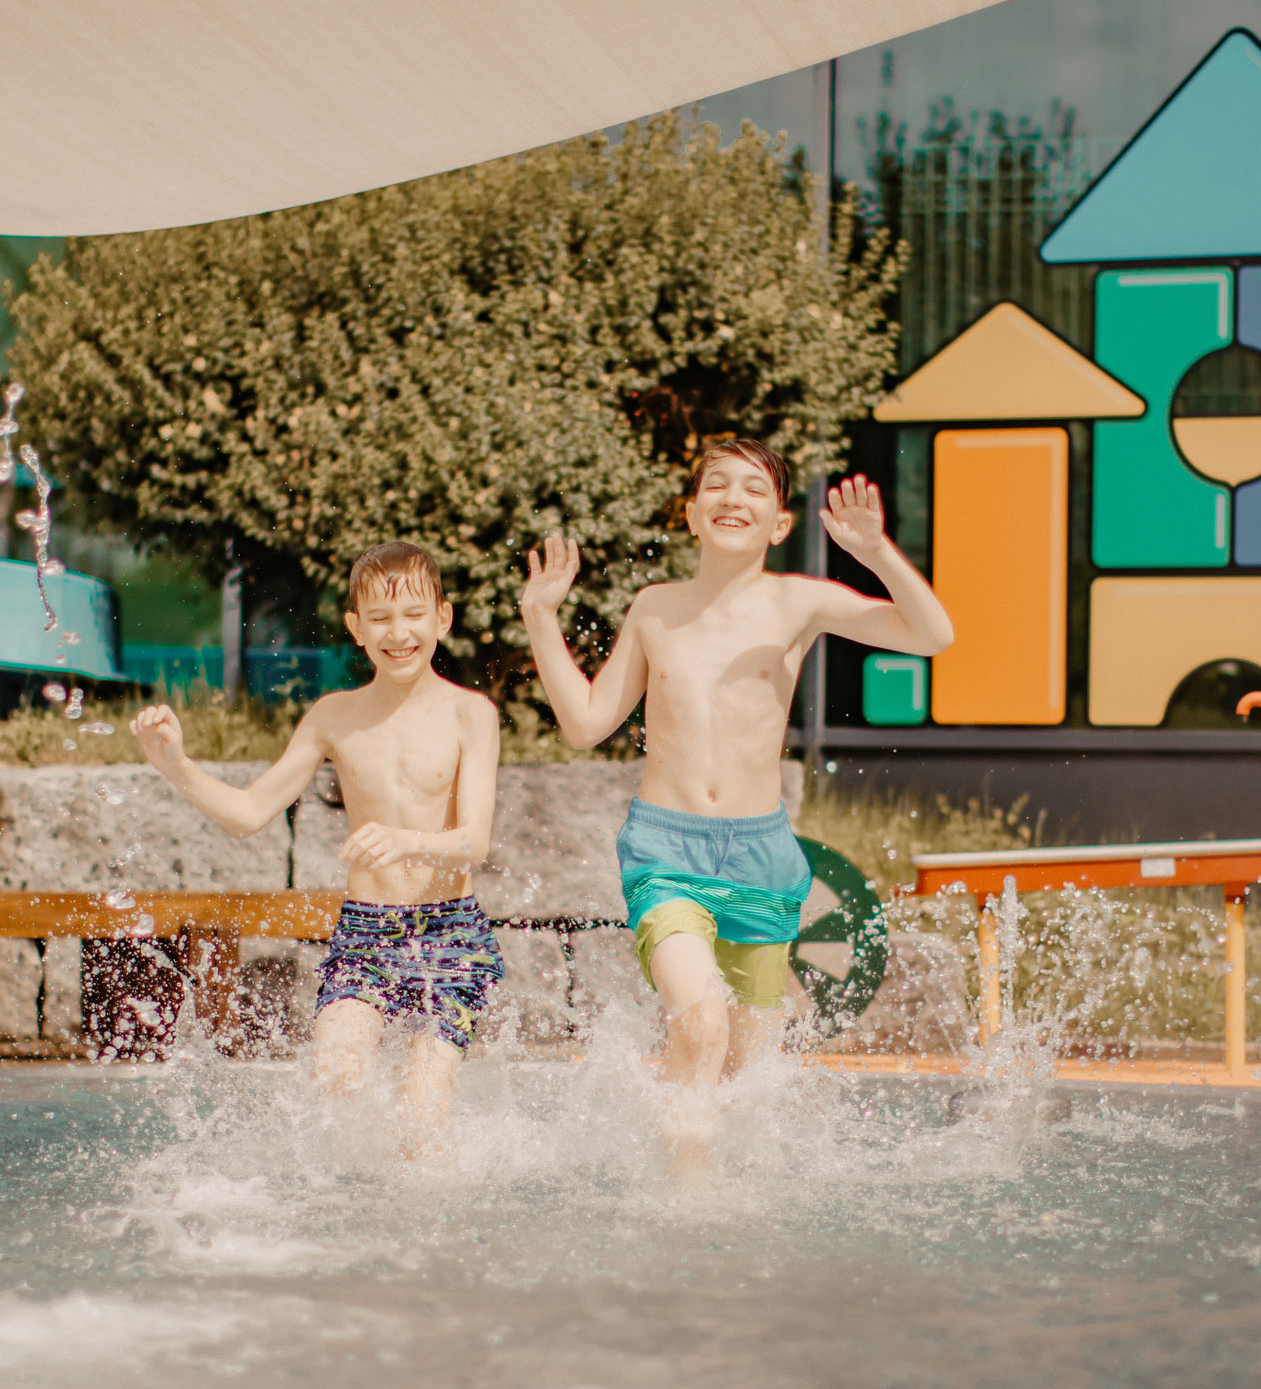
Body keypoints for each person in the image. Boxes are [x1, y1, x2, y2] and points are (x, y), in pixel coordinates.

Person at [520, 436, 952, 1176]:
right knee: (699, 1017)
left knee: (751, 1075)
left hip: (762, 858)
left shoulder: (799, 601)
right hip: (667, 853)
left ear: (780, 524)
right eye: (716, 485)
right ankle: (684, 1202)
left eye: (753, 489)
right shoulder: (656, 609)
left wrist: (876, 553)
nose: (732, 498)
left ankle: (721, 1195)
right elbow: (588, 721)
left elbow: (932, 636)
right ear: (691, 515)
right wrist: (539, 616)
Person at [130, 541, 504, 1168]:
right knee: (336, 1073)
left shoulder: (472, 714)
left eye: (414, 614)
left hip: (450, 934)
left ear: (443, 618)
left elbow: (475, 841)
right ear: (357, 628)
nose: (398, 632)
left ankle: (425, 1211)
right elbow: (250, 815)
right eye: (380, 619)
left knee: (424, 1105)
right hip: (367, 933)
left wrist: (408, 839)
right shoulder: (335, 716)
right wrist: (177, 765)